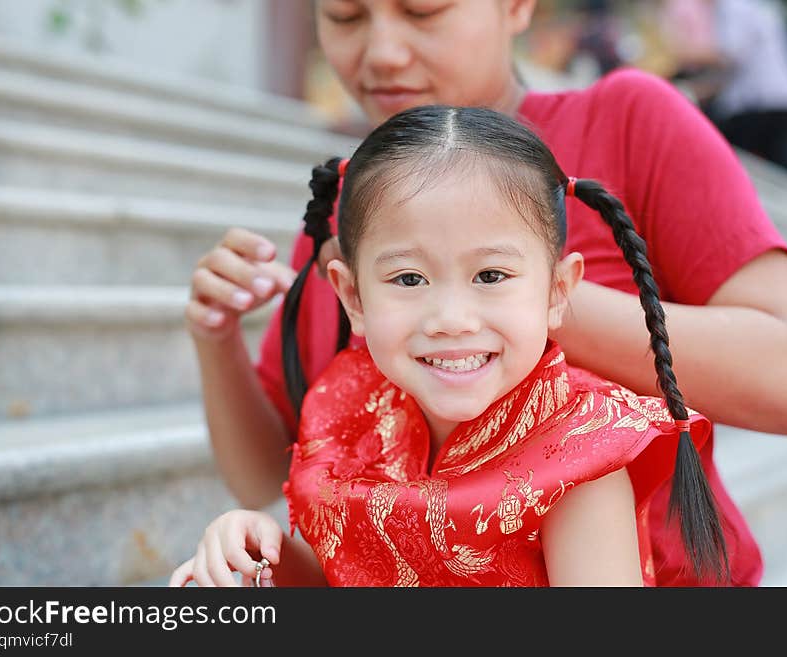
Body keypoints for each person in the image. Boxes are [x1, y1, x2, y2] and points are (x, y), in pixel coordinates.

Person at [183, 0, 787, 587]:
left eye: (423, 11)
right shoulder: (350, 210)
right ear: (349, 292)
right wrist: (215, 337)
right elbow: (273, 469)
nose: (380, 52)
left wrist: (505, 303)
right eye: (346, 17)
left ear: (518, 6)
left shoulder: (626, 122)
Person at [172, 105, 729, 587]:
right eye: (409, 280)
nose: (450, 320)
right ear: (353, 297)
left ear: (558, 291)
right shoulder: (345, 407)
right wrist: (262, 550)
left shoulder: (580, 456)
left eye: (490, 276)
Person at [708, 0, 787, 171]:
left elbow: (731, 54)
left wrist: (684, 57)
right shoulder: (760, 6)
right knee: (779, 170)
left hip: (760, 101)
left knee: (731, 163)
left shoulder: (734, 6)